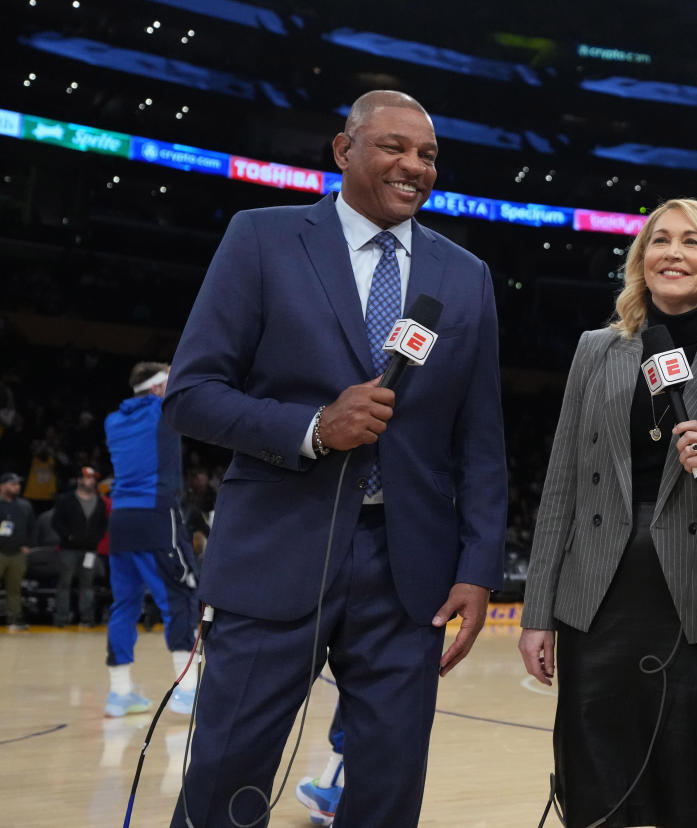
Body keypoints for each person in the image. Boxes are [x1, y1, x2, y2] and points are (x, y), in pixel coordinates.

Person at [162, 89, 507, 826]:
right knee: (226, 780)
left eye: (428, 154)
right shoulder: (261, 238)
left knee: (386, 795)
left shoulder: (464, 275)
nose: (414, 166)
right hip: (278, 548)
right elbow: (191, 394)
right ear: (344, 150)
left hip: (407, 570)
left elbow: (480, 439)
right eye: (393, 147)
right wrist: (316, 426)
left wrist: (479, 566)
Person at [518, 197, 697, 828]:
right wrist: (537, 613)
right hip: (599, 598)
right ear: (640, 258)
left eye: (692, 241)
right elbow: (561, 486)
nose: (673, 253)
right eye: (660, 240)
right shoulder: (596, 349)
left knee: (696, 790)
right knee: (596, 788)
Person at [102, 361, 201, 718]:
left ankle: (119, 693)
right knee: (182, 595)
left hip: (121, 521)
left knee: (124, 605)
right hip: (157, 515)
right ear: (160, 389)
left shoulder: (112, 421)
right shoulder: (163, 410)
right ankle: (187, 692)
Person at [50, 466, 107, 627]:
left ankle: (86, 618)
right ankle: (61, 618)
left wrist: (96, 538)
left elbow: (103, 524)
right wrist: (67, 536)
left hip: (90, 549)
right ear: (80, 480)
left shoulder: (99, 501)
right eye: (88, 478)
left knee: (87, 585)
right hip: (68, 549)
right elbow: (56, 522)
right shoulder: (66, 499)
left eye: (93, 478)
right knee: (64, 584)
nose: (91, 481)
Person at [0, 471, 35, 631]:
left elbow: (32, 528)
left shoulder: (24, 505)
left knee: (15, 589)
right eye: (13, 484)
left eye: (18, 484)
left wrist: (28, 545)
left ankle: (14, 618)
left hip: (17, 553)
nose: (17, 487)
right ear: (2, 486)